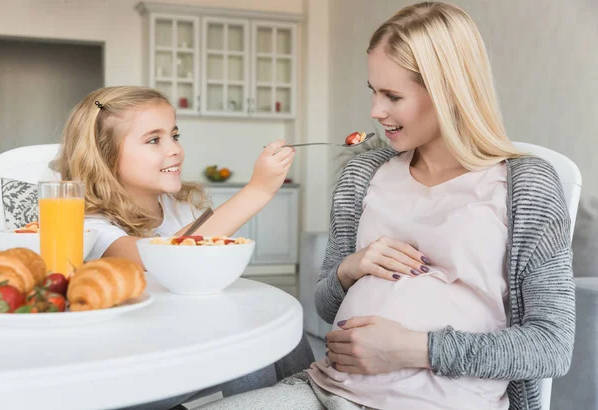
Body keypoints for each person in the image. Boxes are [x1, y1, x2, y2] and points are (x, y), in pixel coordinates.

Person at [198, 2, 575, 409]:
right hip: (326, 391)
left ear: (451, 91)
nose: (376, 112)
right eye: (374, 92)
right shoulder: (363, 173)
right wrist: (349, 268)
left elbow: (551, 346)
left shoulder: (526, 185)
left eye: (393, 96)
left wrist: (415, 348)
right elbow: (326, 306)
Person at [52, 85, 314, 410]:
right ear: (105, 157)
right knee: (248, 358)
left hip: (183, 345)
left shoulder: (179, 210)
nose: (175, 149)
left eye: (174, 135)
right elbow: (164, 257)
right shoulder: (87, 224)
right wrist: (257, 191)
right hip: (127, 370)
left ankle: (315, 396)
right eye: (154, 140)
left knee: (284, 334)